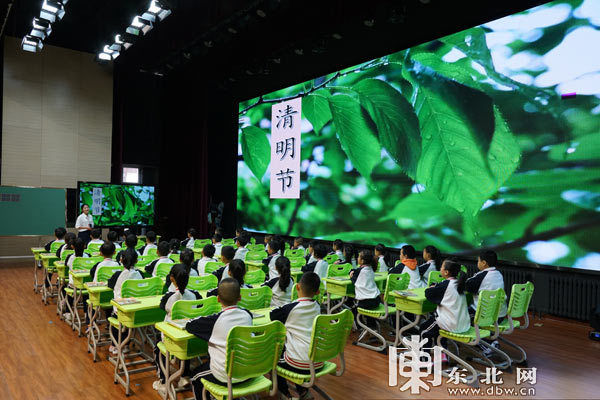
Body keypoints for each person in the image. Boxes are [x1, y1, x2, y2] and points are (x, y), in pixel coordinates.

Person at [187, 278, 253, 398]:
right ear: (240, 297)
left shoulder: (214, 320)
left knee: (195, 377)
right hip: (249, 371)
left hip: (225, 376)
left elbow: (190, 325)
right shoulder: (248, 315)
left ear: (218, 299)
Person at [270, 272, 322, 400]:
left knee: (273, 357)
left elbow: (273, 316)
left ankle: (284, 393)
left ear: (297, 287)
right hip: (318, 361)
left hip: (299, 364)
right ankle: (303, 391)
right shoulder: (318, 307)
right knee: (292, 349)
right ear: (317, 292)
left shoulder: (290, 308)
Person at [153, 264, 202, 394]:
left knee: (159, 346)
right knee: (185, 345)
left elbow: (162, 307)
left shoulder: (169, 297)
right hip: (189, 336)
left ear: (172, 278)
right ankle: (184, 376)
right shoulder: (195, 295)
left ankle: (163, 381)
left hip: (171, 337)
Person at [422, 259, 470, 348]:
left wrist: (431, 287)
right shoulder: (459, 283)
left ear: (446, 272)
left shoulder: (446, 285)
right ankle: (442, 355)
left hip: (451, 324)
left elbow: (429, 294)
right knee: (436, 325)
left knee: (424, 330)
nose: (440, 269)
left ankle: (424, 359)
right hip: (463, 323)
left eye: (441, 267)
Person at [107, 248, 143, 355]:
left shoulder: (118, 274)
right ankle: (126, 344)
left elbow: (110, 285)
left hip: (121, 312)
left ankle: (115, 345)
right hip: (137, 310)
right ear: (136, 261)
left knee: (115, 315)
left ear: (121, 260)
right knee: (127, 316)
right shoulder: (140, 274)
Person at [465, 250, 507, 319]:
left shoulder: (482, 276)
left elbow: (467, 286)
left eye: (478, 261)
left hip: (484, 316)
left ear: (484, 263)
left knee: (460, 313)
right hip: (500, 316)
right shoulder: (499, 274)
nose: (477, 263)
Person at [63, 238, 91, 322]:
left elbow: (66, 265)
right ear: (84, 246)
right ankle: (86, 313)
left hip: (73, 285)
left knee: (69, 292)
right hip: (86, 285)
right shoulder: (88, 256)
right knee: (86, 295)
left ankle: (68, 313)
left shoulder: (69, 257)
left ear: (72, 246)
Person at [350, 250, 381, 325]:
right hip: (377, 300)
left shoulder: (359, 271)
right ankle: (372, 327)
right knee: (369, 313)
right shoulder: (371, 269)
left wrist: (350, 275)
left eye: (358, 257)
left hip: (366, 302)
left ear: (362, 261)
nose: (357, 258)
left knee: (354, 310)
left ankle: (360, 327)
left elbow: (353, 279)